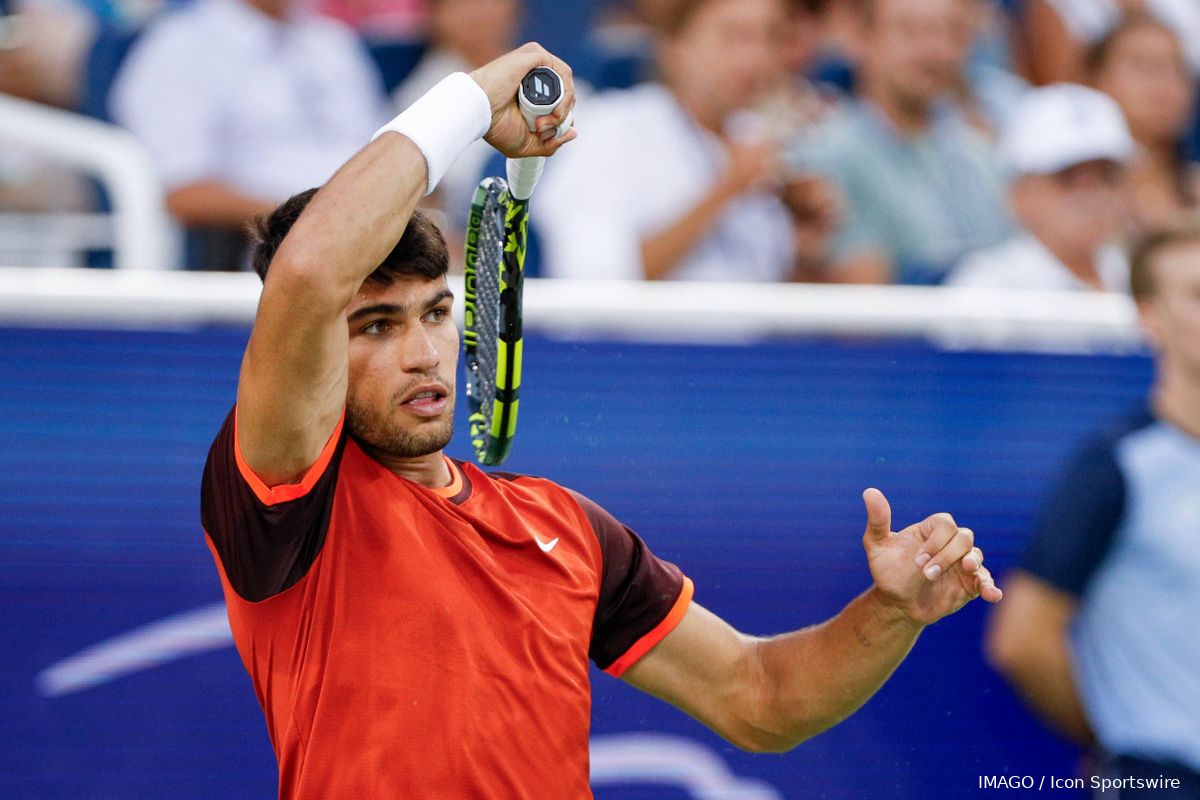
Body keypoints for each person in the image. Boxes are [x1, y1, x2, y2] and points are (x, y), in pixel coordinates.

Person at [200, 42, 1002, 798]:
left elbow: (759, 698)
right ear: (315, 351)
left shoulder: (566, 529)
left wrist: (892, 613)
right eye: (376, 325)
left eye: (436, 313)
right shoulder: (285, 495)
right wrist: (475, 99)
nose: (421, 352)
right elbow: (308, 271)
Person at [986, 216, 1200, 797]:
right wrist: (1122, 753)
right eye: (1198, 294)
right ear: (1149, 317)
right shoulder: (1117, 465)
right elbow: (1023, 637)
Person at [535, 0, 838, 282]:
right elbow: (591, 280)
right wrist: (726, 190)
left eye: (769, 38)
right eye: (734, 37)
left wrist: (804, 250)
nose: (756, 58)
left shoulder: (756, 139)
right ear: (674, 47)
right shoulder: (613, 128)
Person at [109, 0, 387, 268]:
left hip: (374, 231)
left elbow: (380, 150)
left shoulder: (332, 40)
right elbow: (181, 190)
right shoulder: (181, 46)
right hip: (278, 252)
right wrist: (311, 219)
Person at [809, 0, 1013, 284]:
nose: (934, 50)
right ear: (862, 38)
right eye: (910, 30)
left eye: (950, 31)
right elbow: (862, 308)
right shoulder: (828, 154)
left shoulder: (981, 151)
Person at [947, 84, 1133, 291]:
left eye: (1107, 176)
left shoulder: (1142, 273)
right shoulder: (988, 286)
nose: (1092, 193)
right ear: (1019, 195)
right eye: (1068, 178)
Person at [1085, 11, 1200, 235]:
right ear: (1097, 79)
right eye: (1143, 65)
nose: (1167, 82)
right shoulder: (1078, 192)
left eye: (1177, 67)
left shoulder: (1195, 183)